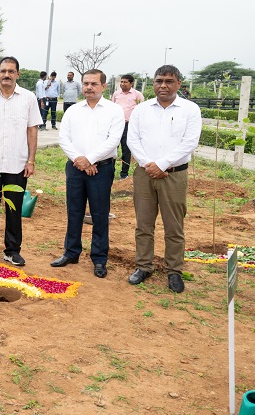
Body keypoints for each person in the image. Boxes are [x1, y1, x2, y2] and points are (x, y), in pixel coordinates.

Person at [126, 65, 202, 294]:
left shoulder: (190, 109)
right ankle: (144, 266)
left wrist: (161, 164)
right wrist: (149, 164)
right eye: (159, 81)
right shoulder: (142, 110)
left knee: (174, 226)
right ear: (153, 84)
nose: (163, 85)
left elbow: (189, 143)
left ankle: (174, 271)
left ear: (179, 83)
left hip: (174, 175)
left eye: (169, 81)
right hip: (144, 173)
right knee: (144, 224)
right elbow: (133, 140)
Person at [51, 70, 124, 278]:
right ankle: (71, 252)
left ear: (104, 86)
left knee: (100, 214)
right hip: (75, 167)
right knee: (74, 211)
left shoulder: (114, 110)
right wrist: (80, 161)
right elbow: (63, 138)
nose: (89, 87)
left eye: (93, 83)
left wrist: (90, 159)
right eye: (86, 83)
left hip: (102, 168)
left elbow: (113, 140)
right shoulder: (73, 110)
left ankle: (99, 258)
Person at [0, 57, 42, 265]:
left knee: (14, 208)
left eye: (11, 71)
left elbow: (32, 130)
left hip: (17, 163)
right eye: (3, 71)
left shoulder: (28, 98)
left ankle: (12, 250)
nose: (7, 75)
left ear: (17, 74)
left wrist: (31, 160)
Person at [112, 74, 145, 180]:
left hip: (129, 125)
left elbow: (141, 111)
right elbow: (112, 108)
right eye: (121, 82)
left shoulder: (137, 95)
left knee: (126, 149)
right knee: (113, 148)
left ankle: (124, 174)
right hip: (116, 125)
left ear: (131, 83)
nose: (122, 84)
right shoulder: (116, 94)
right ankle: (110, 172)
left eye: (125, 82)